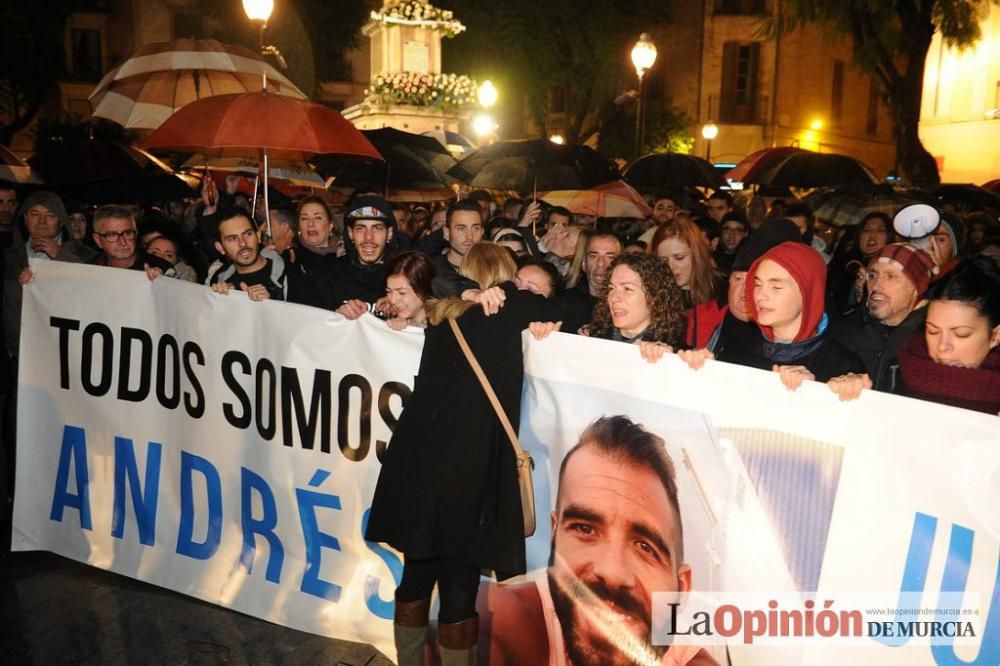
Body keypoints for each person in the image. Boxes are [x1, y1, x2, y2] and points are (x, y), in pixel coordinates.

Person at [365, 243, 561, 666]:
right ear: (505, 280)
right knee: (458, 587)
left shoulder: (441, 315)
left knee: (416, 574)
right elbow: (563, 303)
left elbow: (436, 280)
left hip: (418, 467)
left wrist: (465, 292)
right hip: (470, 476)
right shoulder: (510, 315)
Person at [478, 416, 717, 666]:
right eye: (584, 529)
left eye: (645, 547)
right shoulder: (500, 617)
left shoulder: (685, 656)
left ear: (681, 589)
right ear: (554, 538)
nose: (612, 572)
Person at [894, 256, 1000, 413]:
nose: (942, 346)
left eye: (961, 334)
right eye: (932, 331)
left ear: (995, 336)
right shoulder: (906, 365)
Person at [827, 243, 937, 394]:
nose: (876, 285)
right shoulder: (840, 329)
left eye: (890, 277)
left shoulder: (933, 341)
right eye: (872, 275)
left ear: (916, 289)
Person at [3, 191, 97, 357]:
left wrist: (61, 255)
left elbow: (94, 290)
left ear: (61, 222)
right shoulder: (7, 258)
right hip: (19, 356)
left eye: (50, 215)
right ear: (25, 219)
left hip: (67, 353)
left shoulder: (87, 255)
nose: (42, 221)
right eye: (35, 214)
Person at [708, 219, 805, 363]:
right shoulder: (701, 319)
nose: (745, 292)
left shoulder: (794, 345)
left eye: (756, 283)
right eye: (739, 279)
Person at [583, 253, 687, 348]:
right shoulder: (591, 340)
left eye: (627, 289)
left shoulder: (676, 355)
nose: (614, 298)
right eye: (611, 289)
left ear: (654, 296)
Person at [651, 220, 727, 349]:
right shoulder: (653, 295)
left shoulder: (724, 290)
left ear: (697, 254)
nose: (671, 266)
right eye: (663, 260)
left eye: (679, 258)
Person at [206, 207, 286, 301]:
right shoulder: (218, 279)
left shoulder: (290, 275)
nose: (243, 243)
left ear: (258, 236)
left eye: (248, 234)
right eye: (232, 239)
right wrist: (221, 303)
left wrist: (271, 305)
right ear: (220, 248)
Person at [558, 232, 622, 333]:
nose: (601, 263)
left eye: (610, 257)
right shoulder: (562, 303)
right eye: (593, 256)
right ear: (583, 263)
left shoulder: (628, 308)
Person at [91, 205, 173, 274]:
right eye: (112, 235)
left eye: (127, 233)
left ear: (136, 234)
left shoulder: (161, 269)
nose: (122, 242)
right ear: (97, 240)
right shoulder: (89, 270)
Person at [431, 200, 486, 296]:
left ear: (482, 232)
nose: (469, 236)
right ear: (447, 233)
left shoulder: (491, 268)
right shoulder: (431, 269)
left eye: (475, 228)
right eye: (461, 228)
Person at [383, 251, 436, 330]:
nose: (393, 300)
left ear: (423, 290)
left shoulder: (444, 329)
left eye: (402, 293)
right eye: (389, 291)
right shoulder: (387, 320)